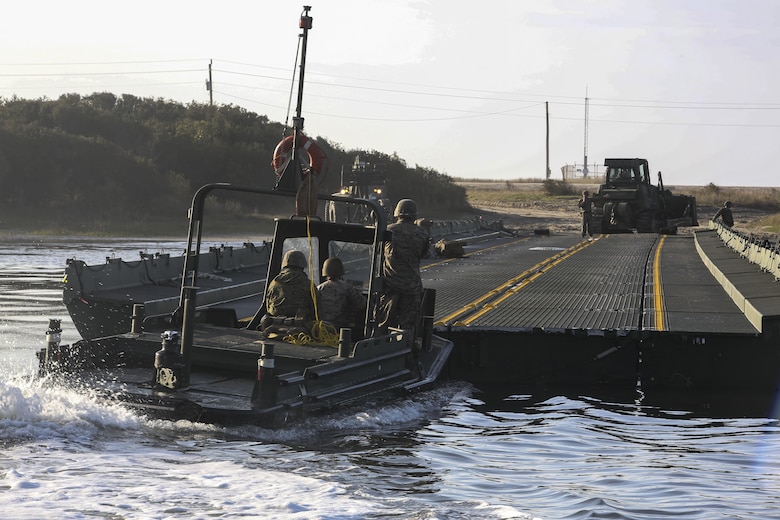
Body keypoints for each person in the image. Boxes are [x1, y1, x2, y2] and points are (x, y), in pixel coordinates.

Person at [377, 198, 430, 333]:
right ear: (414, 215)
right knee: (409, 328)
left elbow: (378, 251)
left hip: (390, 286)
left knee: (383, 325)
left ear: (397, 213)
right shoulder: (422, 234)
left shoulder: (388, 231)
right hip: (412, 288)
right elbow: (425, 254)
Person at [262, 250, 316, 330]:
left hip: (273, 325)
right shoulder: (308, 284)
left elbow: (268, 305)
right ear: (302, 265)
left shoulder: (275, 283)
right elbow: (316, 309)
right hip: (300, 327)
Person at [317, 257, 366, 331]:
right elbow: (362, 304)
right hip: (342, 329)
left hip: (322, 328)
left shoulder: (319, 288)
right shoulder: (348, 288)